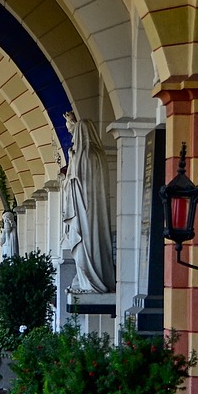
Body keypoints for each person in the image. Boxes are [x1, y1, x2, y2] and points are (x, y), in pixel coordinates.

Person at [61, 111, 115, 293]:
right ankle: (95, 277)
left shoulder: (81, 157)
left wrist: (71, 159)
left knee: (85, 246)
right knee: (96, 245)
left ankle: (89, 281)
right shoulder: (99, 155)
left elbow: (72, 182)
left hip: (83, 212)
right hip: (97, 213)